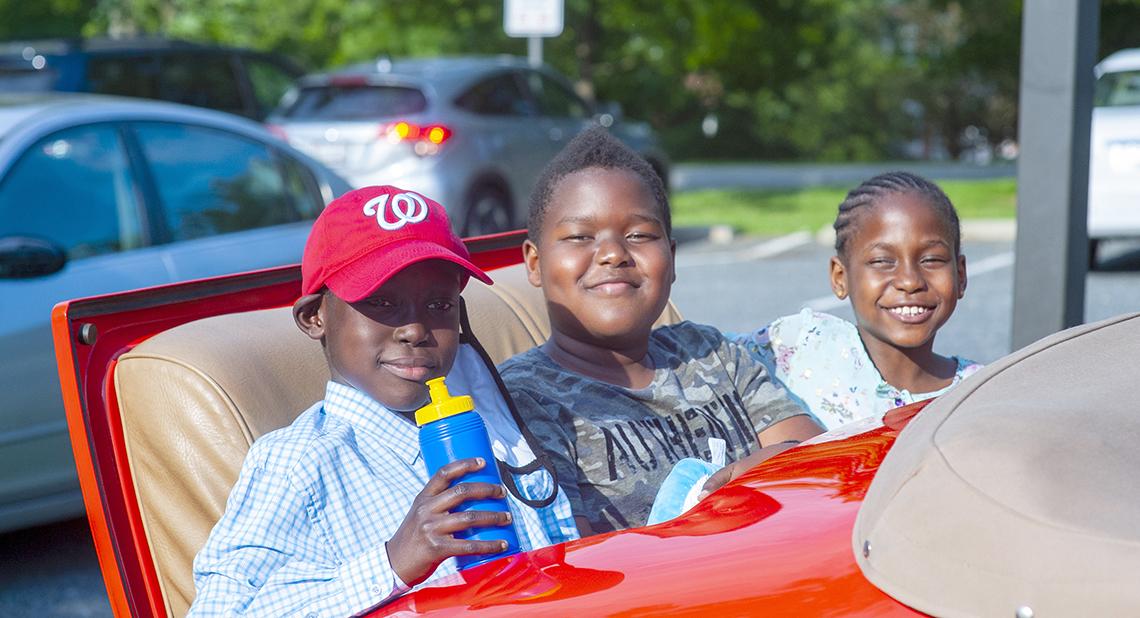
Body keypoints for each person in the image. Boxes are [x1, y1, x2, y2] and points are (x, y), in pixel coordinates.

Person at [188, 186, 578, 616]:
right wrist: (392, 561)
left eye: (439, 304)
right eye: (382, 302)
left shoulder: (497, 422)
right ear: (314, 317)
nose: (415, 330)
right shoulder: (299, 463)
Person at [498, 127, 823, 536]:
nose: (613, 254)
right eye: (580, 237)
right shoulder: (523, 401)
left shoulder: (711, 354)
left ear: (670, 258)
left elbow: (821, 462)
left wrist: (774, 464)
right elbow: (572, 555)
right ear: (534, 263)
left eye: (638, 235)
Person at [735, 171, 983, 432]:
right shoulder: (799, 345)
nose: (910, 281)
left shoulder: (982, 391)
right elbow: (711, 357)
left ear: (960, 275)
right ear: (840, 277)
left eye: (931, 259)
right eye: (882, 261)